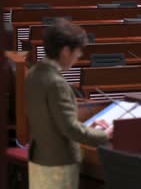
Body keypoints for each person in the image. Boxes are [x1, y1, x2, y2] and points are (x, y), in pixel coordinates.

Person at [25, 19, 112, 189]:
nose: (78, 57)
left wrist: (88, 127)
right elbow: (69, 129)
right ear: (65, 51)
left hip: (39, 158)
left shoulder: (34, 73)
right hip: (58, 164)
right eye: (77, 52)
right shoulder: (56, 83)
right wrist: (105, 135)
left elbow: (52, 120)